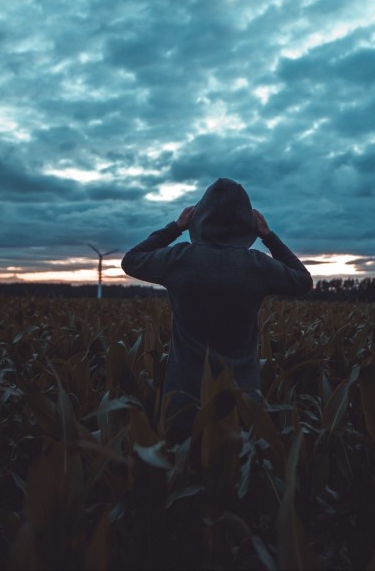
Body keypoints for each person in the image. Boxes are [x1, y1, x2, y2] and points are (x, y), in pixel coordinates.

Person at [121, 177, 312, 440]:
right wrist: (269, 237)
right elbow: (302, 281)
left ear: (198, 217)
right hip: (241, 402)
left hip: (181, 403)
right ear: (247, 223)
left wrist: (174, 228)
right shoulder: (256, 265)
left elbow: (131, 260)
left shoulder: (179, 259)